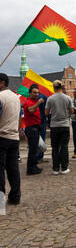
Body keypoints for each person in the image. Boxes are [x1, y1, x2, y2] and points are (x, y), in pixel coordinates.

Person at [0, 73, 21, 205]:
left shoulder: (0, 97)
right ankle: (15, 196)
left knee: (0, 170)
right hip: (14, 137)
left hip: (1, 136)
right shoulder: (16, 97)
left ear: (2, 83)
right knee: (13, 169)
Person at [45, 80, 73, 175]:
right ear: (62, 87)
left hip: (54, 125)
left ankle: (55, 168)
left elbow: (46, 112)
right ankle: (64, 168)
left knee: (55, 147)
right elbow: (72, 111)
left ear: (54, 87)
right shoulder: (67, 98)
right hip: (64, 124)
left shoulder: (50, 98)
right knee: (64, 147)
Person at [23, 85, 44, 175]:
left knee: (35, 149)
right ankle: (30, 169)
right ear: (30, 93)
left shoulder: (33, 101)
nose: (37, 94)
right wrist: (38, 103)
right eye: (35, 92)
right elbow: (31, 110)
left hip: (36, 128)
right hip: (31, 129)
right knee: (32, 150)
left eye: (38, 92)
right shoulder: (28, 102)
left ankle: (34, 166)